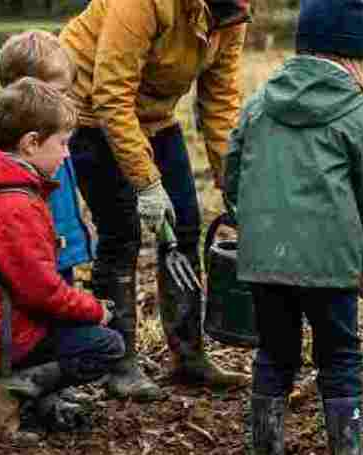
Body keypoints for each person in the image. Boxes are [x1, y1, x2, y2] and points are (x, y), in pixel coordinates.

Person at [59, 0, 252, 401]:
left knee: (184, 226)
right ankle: (119, 364)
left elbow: (220, 104)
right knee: (121, 233)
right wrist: (146, 182)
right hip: (89, 112)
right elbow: (110, 94)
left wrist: (234, 185)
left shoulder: (233, 16)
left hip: (154, 117)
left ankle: (189, 356)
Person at [224, 0, 363, 452]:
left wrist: (254, 229)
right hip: (331, 265)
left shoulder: (258, 104)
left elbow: (232, 174)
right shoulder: (361, 115)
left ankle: (266, 447)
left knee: (275, 355)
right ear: (353, 56)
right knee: (339, 357)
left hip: (263, 262)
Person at [0, 78, 122, 442]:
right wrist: (94, 310)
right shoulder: (15, 204)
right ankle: (1, 394)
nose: (67, 154)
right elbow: (43, 293)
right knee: (105, 345)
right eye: (62, 143)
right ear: (31, 143)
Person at [0, 30, 93, 288]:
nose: (66, 102)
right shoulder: (2, 144)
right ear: (26, 92)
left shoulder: (48, 130)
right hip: (27, 257)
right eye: (58, 93)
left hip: (55, 248)